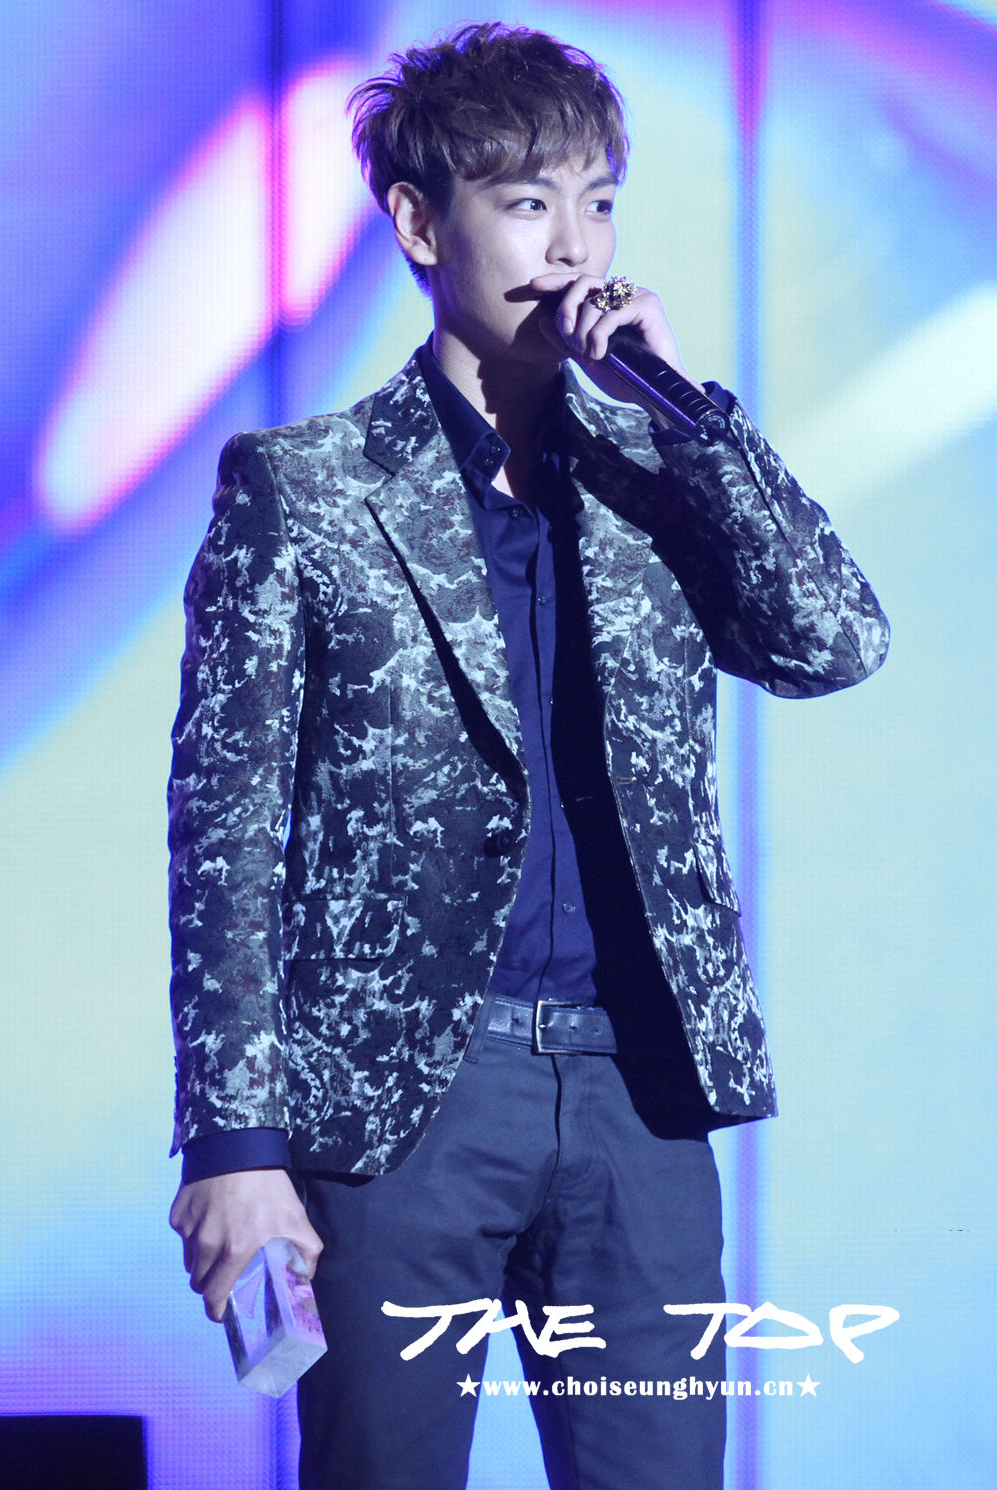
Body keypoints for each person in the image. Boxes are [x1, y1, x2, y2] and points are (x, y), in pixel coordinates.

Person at [167, 21, 888, 1490]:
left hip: (639, 1093)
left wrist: (694, 422)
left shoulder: (659, 474)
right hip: (403, 1104)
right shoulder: (302, 490)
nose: (573, 248)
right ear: (420, 223)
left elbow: (833, 641)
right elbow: (222, 836)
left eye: (599, 201)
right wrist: (234, 1141)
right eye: (528, 201)